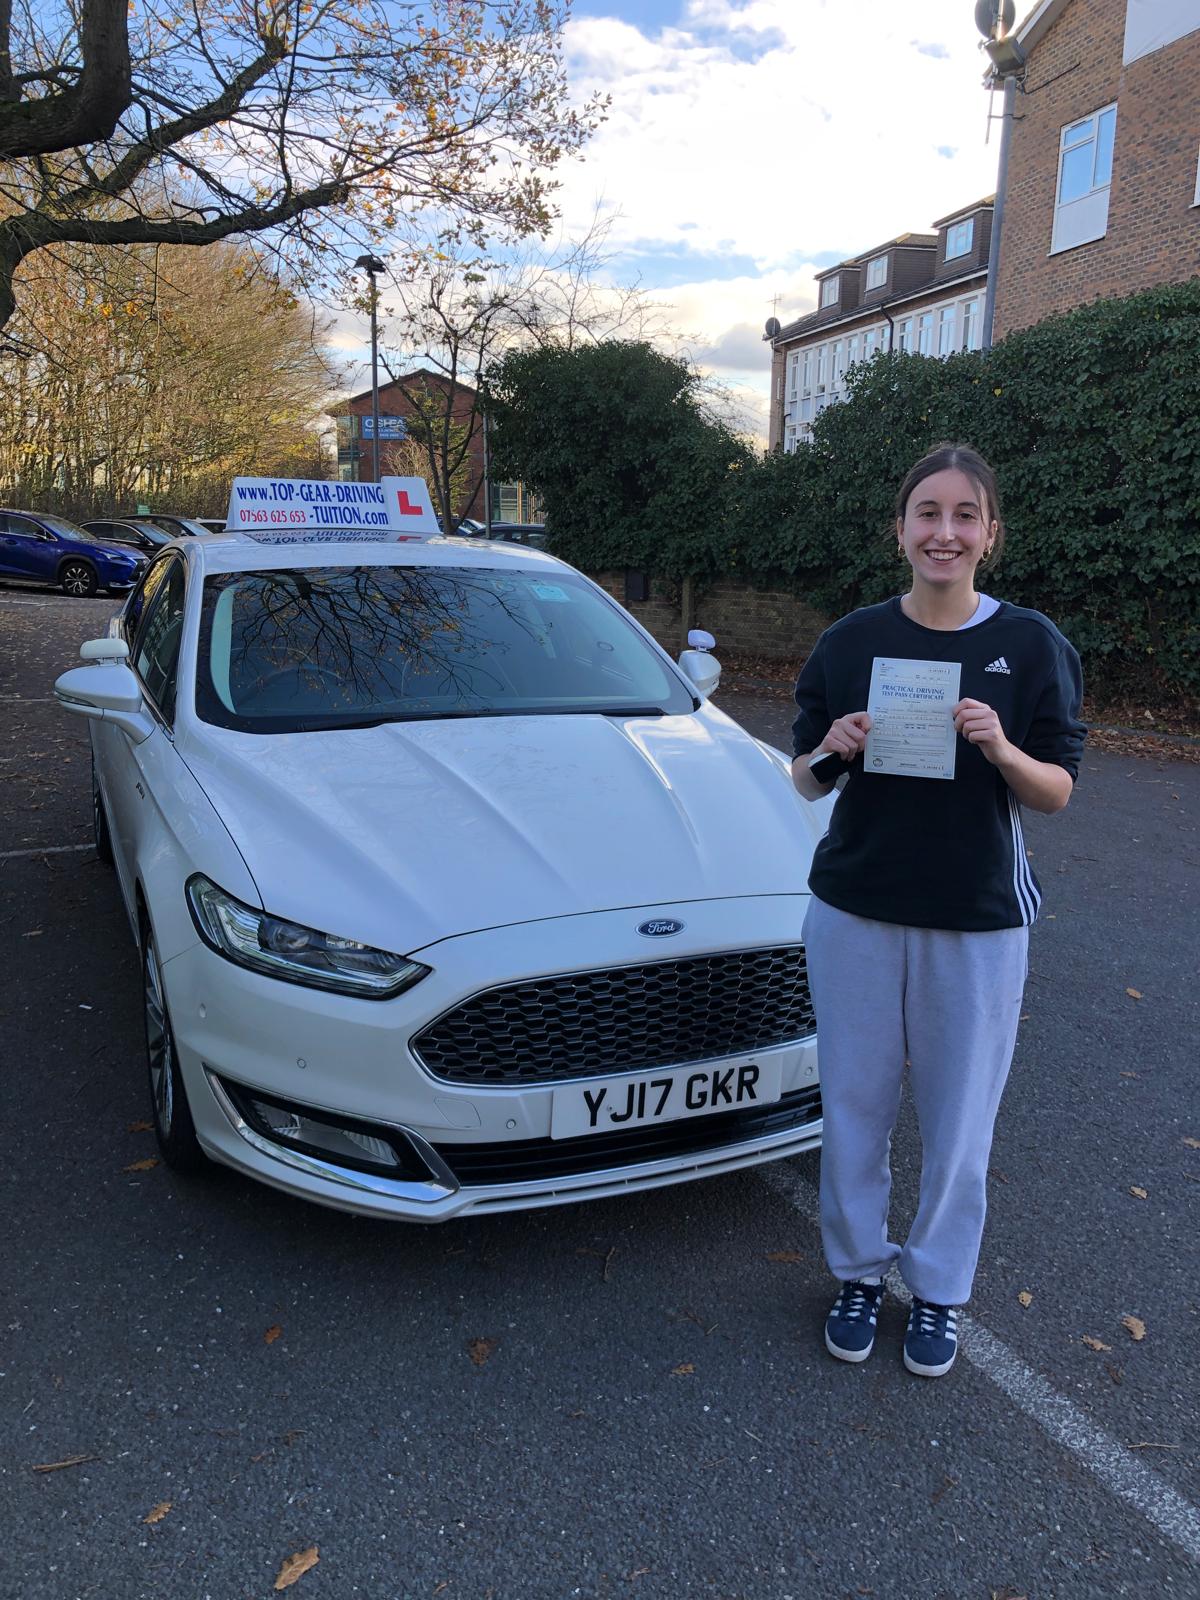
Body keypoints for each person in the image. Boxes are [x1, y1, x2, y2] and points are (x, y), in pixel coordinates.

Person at [790, 442, 1085, 1378]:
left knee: (961, 1119)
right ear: (901, 528)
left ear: (990, 534)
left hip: (978, 918)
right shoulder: (850, 641)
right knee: (855, 1106)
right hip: (858, 910)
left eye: (964, 515)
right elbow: (804, 781)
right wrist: (831, 746)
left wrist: (1001, 747)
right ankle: (857, 1273)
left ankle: (941, 1289)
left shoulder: (1032, 646)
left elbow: (1057, 792)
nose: (943, 531)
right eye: (927, 512)